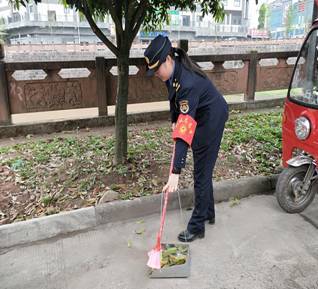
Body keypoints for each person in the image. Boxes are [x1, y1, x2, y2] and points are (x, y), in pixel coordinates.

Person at [144, 35, 228, 242]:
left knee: (201, 172)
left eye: (157, 69)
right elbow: (173, 96)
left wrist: (175, 172)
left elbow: (184, 132)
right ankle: (208, 212)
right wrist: (174, 118)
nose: (156, 74)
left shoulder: (188, 82)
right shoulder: (173, 70)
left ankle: (197, 226)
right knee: (203, 169)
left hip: (210, 120)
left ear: (168, 60)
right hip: (200, 115)